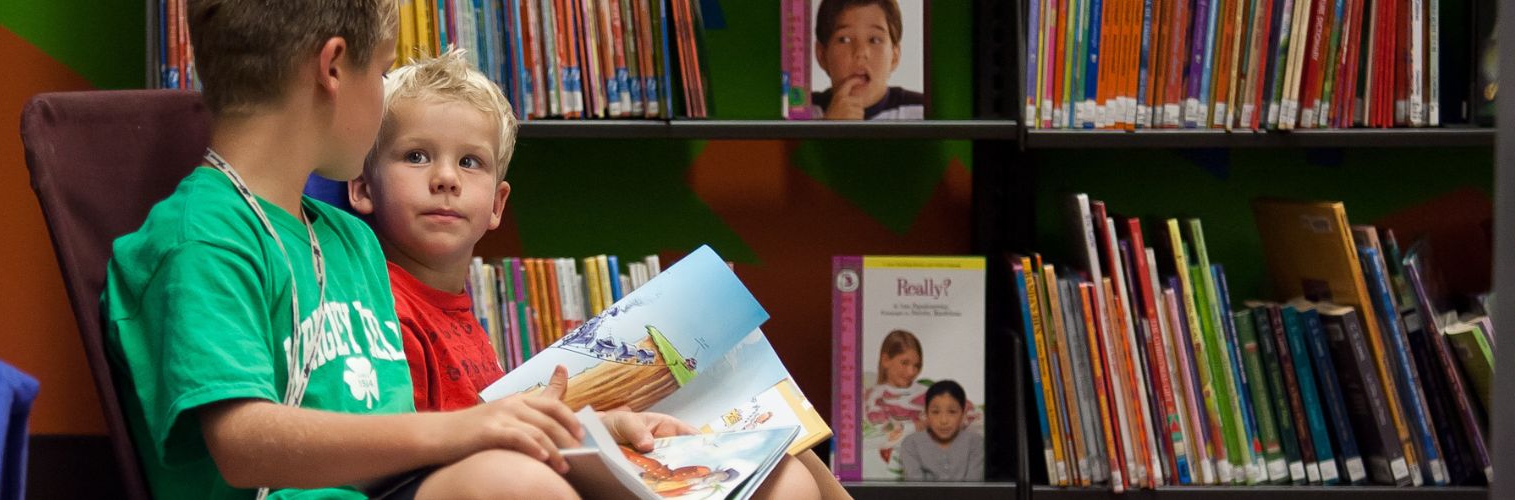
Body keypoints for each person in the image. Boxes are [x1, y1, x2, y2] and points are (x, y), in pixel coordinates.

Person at [104, 2, 586, 498]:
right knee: (517, 486)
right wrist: (467, 429)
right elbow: (241, 445)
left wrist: (578, 439)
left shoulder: (353, 241)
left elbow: (390, 447)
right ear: (333, 68)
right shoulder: (201, 239)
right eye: (381, 72)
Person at [346, 49, 845, 499]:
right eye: (416, 156)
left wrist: (604, 424)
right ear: (364, 187)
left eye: (470, 162)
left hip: (519, 463)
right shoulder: (373, 305)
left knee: (787, 469)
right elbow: (399, 451)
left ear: (497, 205)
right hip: (461, 481)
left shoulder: (460, 315)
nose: (446, 178)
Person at [811, 0, 925, 120]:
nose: (860, 52)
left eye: (874, 40)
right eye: (844, 39)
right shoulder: (800, 113)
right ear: (822, 55)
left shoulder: (922, 112)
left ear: (894, 57)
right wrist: (829, 127)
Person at [862, 329, 925, 476]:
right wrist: (916, 426)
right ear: (885, 360)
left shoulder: (926, 393)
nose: (911, 372)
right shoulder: (872, 397)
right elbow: (879, 433)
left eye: (916, 365)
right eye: (904, 363)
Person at [897, 380, 984, 481]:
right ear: (926, 413)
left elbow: (973, 489)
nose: (943, 421)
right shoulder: (911, 444)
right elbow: (916, 490)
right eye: (935, 412)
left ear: (963, 414)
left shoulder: (975, 442)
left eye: (952, 412)